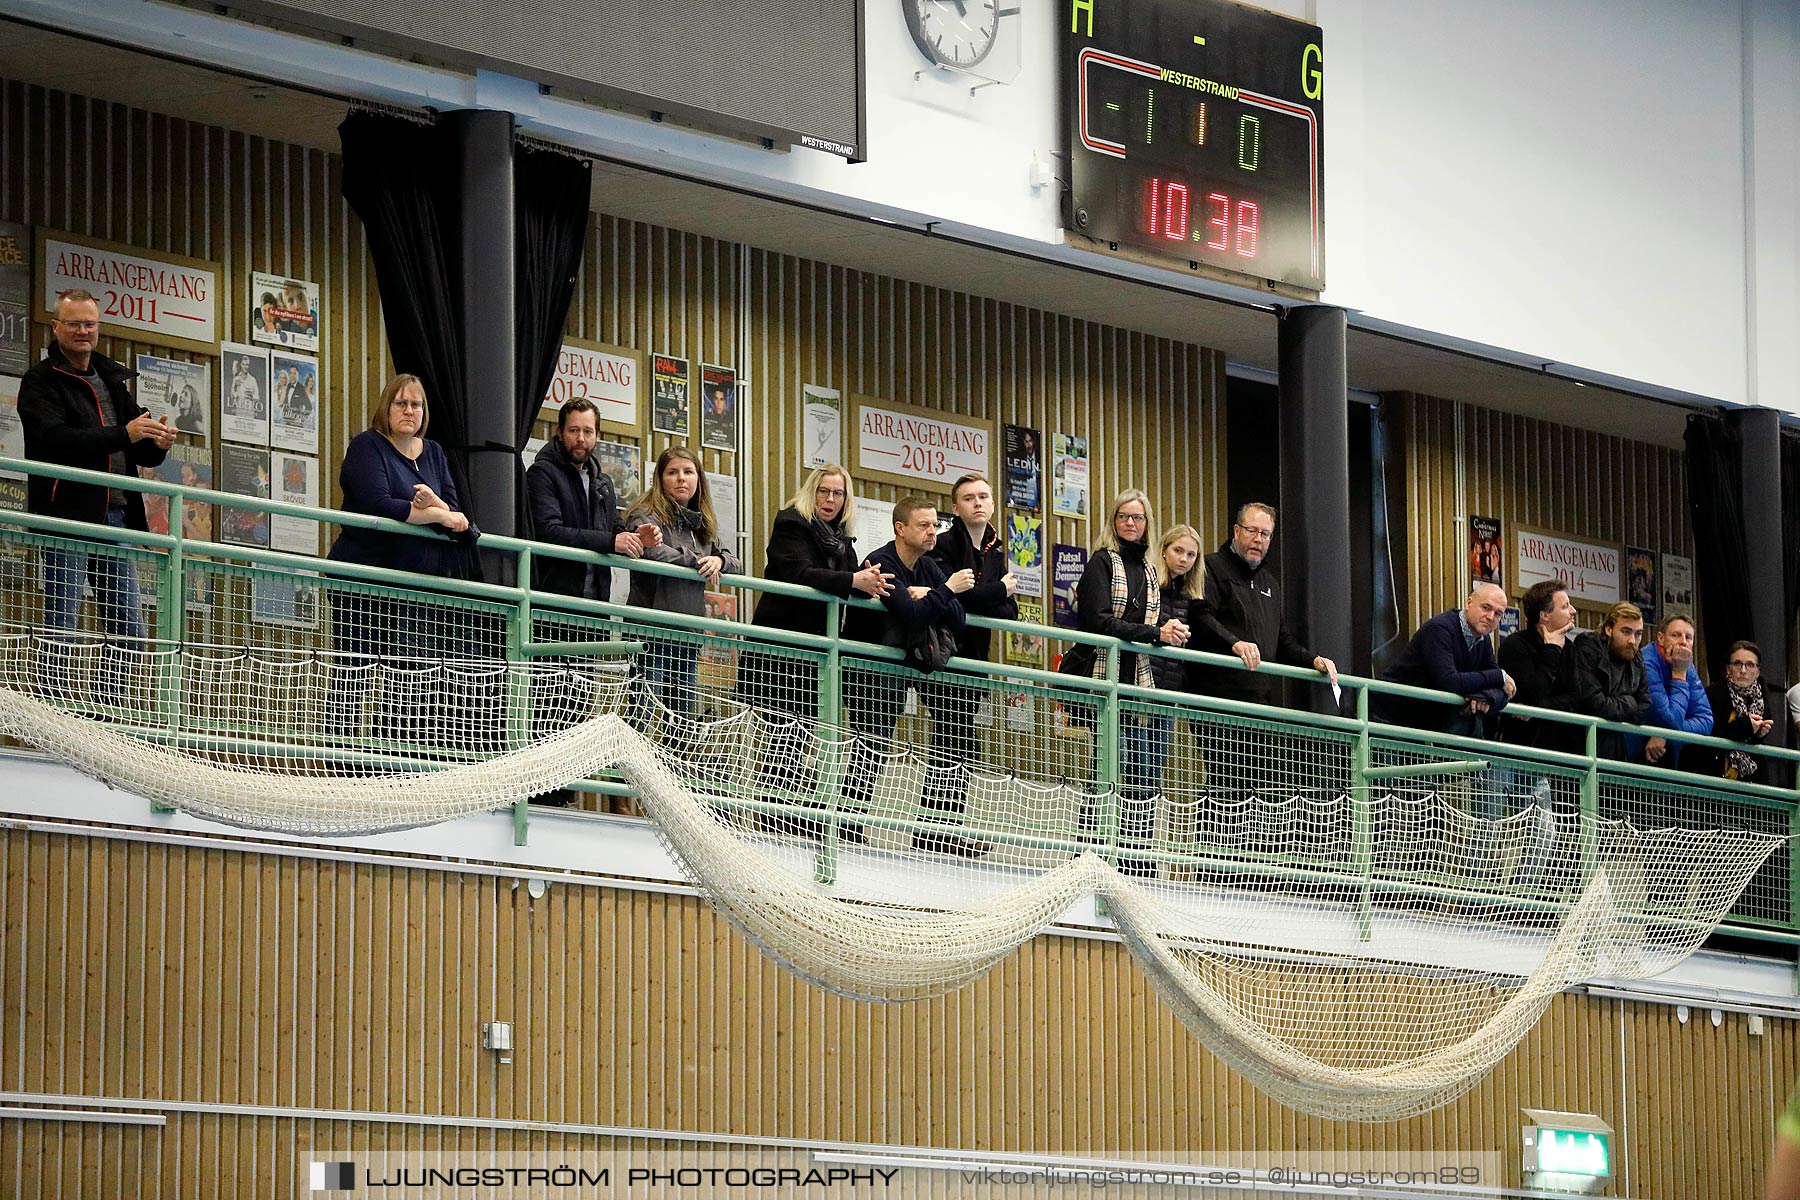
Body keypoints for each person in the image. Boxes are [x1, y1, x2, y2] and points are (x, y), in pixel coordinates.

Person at [19, 289, 176, 659]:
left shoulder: (111, 380)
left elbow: (140, 450)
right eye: (73, 323)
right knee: (61, 629)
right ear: (56, 327)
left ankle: (108, 714)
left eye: (89, 324)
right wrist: (126, 434)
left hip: (116, 517)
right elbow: (55, 441)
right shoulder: (40, 381)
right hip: (66, 517)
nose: (82, 331)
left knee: (130, 634)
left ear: (99, 327)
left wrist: (159, 442)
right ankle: (53, 710)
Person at [739, 465, 894, 837]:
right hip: (779, 651)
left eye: (837, 494)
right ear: (812, 491)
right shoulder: (792, 523)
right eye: (824, 491)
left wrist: (879, 584)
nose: (830, 500)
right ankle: (770, 816)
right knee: (781, 736)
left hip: (814, 656)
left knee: (802, 735)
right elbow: (799, 573)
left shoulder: (840, 540)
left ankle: (787, 816)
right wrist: (853, 580)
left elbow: (853, 581)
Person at [325, 374, 480, 734]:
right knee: (355, 672)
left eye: (416, 404)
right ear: (387, 407)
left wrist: (442, 508)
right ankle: (339, 756)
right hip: (364, 581)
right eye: (401, 403)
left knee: (412, 678)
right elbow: (379, 504)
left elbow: (460, 516)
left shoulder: (436, 453)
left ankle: (394, 759)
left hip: (417, 587)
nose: (409, 411)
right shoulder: (368, 445)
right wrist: (441, 515)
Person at [1058, 489, 1191, 875]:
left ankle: (1136, 861)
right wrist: (1154, 634)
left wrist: (1160, 633)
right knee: (1108, 771)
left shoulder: (1150, 570)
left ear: (1147, 523)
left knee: (1144, 775)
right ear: (1113, 521)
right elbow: (1098, 620)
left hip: (1140, 684)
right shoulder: (1101, 562)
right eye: (1123, 517)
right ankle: (1089, 857)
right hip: (1106, 680)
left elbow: (1150, 624)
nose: (1130, 523)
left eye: (1138, 517)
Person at [839, 496, 973, 850]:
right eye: (923, 525)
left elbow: (960, 619)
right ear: (900, 528)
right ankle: (846, 824)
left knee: (954, 726)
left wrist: (931, 593)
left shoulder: (927, 567)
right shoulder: (881, 563)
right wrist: (945, 592)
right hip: (870, 667)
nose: (932, 532)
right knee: (871, 745)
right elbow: (911, 615)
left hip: (908, 664)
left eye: (934, 525)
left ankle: (936, 831)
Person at [918, 472, 1019, 848]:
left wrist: (989, 594)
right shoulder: (942, 545)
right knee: (951, 737)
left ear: (992, 504)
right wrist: (998, 590)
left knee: (963, 742)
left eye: (984, 497)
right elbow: (955, 597)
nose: (978, 503)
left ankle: (948, 829)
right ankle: (933, 832)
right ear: (957, 508)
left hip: (976, 657)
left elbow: (1010, 612)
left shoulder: (995, 549)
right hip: (943, 653)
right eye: (969, 498)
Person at [624, 446, 740, 725]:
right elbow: (652, 551)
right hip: (650, 629)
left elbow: (736, 562)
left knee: (682, 717)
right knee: (642, 712)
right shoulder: (645, 513)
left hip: (688, 632)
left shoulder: (702, 522)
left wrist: (719, 561)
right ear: (659, 478)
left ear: (698, 479)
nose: (681, 479)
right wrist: (698, 560)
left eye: (688, 472)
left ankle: (673, 770)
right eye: (672, 472)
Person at [1188, 501, 1337, 708]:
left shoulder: (1270, 584)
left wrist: (1312, 660)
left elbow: (1281, 641)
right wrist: (1236, 643)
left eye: (1265, 534)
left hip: (1259, 701)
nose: (1258, 539)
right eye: (1252, 531)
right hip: (1215, 699)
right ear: (1237, 531)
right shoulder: (1211, 567)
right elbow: (1201, 617)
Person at [525, 397, 659, 603]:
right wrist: (613, 541)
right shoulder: (542, 473)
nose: (580, 438)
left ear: (597, 436)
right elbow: (549, 531)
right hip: (552, 600)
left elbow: (614, 529)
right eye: (573, 430)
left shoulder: (603, 482)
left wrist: (636, 539)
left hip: (597, 602)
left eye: (588, 431)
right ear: (559, 433)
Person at [1372, 583, 1515, 734]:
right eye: (1486, 607)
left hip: (1422, 727)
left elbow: (1505, 691)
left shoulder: (1483, 640)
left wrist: (1485, 697)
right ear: (1469, 604)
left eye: (1498, 613)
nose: (1491, 617)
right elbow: (1448, 681)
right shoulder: (1440, 629)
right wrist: (1500, 676)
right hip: (1387, 720)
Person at [1548, 601, 1650, 760]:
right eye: (1626, 632)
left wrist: (1615, 705)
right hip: (1575, 747)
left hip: (1614, 751)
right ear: (1609, 629)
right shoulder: (1587, 649)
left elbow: (1644, 707)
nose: (1632, 640)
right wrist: (1629, 703)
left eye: (1638, 634)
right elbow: (1592, 703)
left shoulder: (1636, 657)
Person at [1682, 640, 1779, 783]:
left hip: (1748, 779)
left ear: (1758, 671)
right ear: (1728, 668)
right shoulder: (1712, 694)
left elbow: (1751, 740)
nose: (1743, 670)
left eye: (1750, 665)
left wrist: (1759, 734)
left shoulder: (1762, 697)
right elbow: (1711, 732)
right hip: (1711, 775)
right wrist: (1746, 726)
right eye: (1737, 664)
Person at [1496, 579, 1577, 747]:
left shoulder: (1569, 648)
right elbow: (1532, 694)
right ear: (1544, 615)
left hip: (1560, 749)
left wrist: (1539, 709)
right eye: (1565, 606)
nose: (1573, 610)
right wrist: (1552, 650)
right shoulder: (1515, 645)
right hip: (1518, 748)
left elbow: (1574, 699)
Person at [1625, 613, 1712, 768]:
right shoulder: (1647, 661)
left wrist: (1664, 736)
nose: (1683, 642)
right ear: (1660, 638)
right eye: (1676, 635)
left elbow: (1706, 721)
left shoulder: (1686, 666)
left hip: (1666, 755)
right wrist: (1679, 675)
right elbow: (1669, 720)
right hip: (1632, 757)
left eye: (1689, 637)